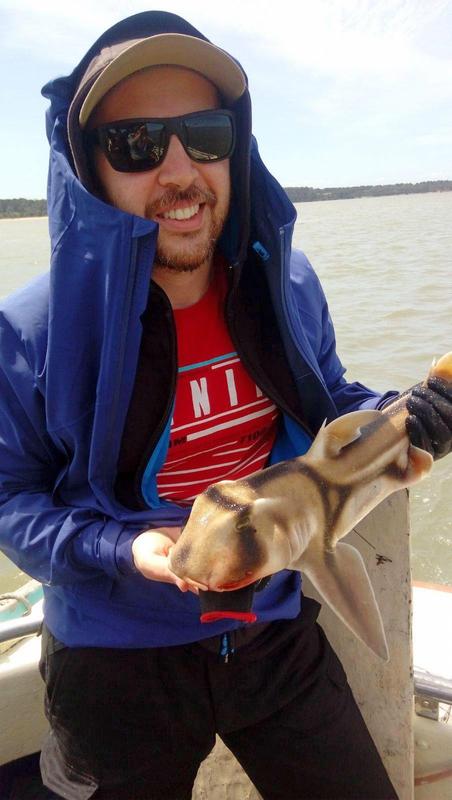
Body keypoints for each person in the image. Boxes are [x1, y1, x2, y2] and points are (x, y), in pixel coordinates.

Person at [1, 10, 451, 800]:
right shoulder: (32, 332)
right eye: (136, 143)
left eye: (204, 135)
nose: (180, 170)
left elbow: (328, 404)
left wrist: (408, 417)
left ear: (233, 149)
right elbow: (10, 502)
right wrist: (118, 552)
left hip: (274, 627)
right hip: (116, 654)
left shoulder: (285, 284)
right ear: (89, 166)